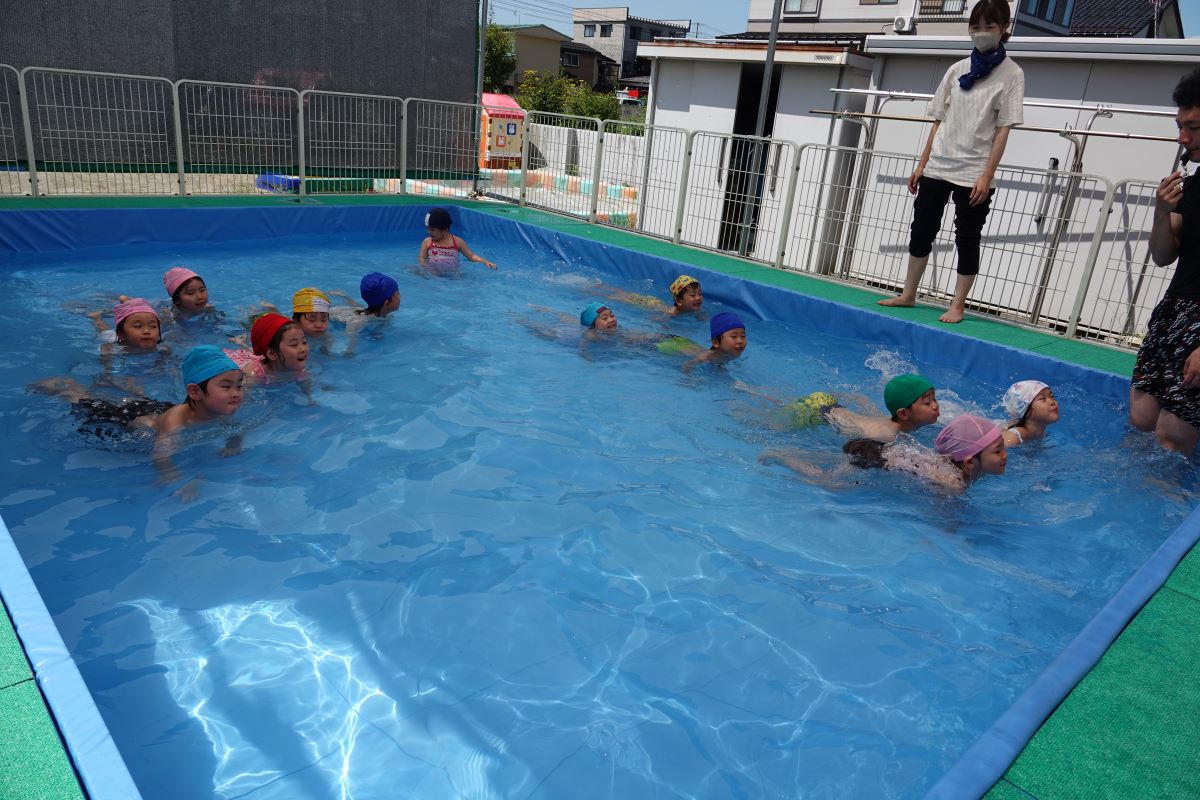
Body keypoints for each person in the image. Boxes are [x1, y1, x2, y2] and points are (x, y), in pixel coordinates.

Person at [877, 0, 1024, 324]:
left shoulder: (1012, 73)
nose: (981, 33)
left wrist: (987, 176)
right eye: (976, 26)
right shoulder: (957, 69)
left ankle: (958, 305)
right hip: (939, 164)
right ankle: (909, 293)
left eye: (989, 27)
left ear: (1003, 29)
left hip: (974, 170)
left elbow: (1003, 130)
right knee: (921, 229)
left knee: (967, 236)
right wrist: (921, 164)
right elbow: (938, 121)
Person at [30, 345, 245, 497]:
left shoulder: (222, 412)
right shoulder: (176, 420)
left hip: (157, 408)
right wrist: (176, 479)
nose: (236, 393)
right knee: (92, 408)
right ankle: (69, 390)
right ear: (195, 392)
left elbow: (237, 429)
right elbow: (161, 455)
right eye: (226, 387)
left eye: (239, 385)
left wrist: (233, 447)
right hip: (137, 421)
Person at [1130, 67, 1200, 456]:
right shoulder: (1193, 181)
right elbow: (1162, 256)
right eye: (1180, 125)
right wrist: (1161, 210)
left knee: (1172, 439)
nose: (1182, 137)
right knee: (1141, 422)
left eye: (1193, 127)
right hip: (1173, 310)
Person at [763, 413, 1004, 491]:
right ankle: (782, 457)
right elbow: (944, 521)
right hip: (875, 460)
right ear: (970, 462)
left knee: (835, 462)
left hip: (886, 453)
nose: (1005, 456)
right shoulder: (955, 484)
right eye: (998, 450)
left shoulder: (963, 468)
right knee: (829, 483)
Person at [826, 373, 940, 441]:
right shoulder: (887, 436)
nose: (935, 406)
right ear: (903, 414)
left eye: (934, 399)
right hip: (822, 411)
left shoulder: (907, 422)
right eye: (927, 402)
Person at [224, 313, 309, 384]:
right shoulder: (253, 375)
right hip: (234, 361)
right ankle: (238, 341)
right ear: (272, 354)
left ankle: (241, 342)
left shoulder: (298, 369)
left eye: (304, 342)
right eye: (294, 345)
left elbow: (307, 391)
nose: (303, 349)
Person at [418, 207, 496, 272]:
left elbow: (471, 256)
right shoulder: (427, 242)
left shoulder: (457, 242)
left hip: (452, 274)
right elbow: (422, 258)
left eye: (432, 230)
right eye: (428, 229)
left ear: (445, 230)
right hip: (433, 272)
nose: (429, 232)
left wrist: (485, 261)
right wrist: (426, 268)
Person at [682, 311, 747, 372]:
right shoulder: (705, 357)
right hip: (679, 347)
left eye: (743, 336)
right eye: (734, 336)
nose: (740, 341)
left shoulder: (733, 353)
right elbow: (687, 365)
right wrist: (689, 380)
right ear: (716, 342)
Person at [1001, 380, 1059, 447]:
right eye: (1043, 398)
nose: (1052, 402)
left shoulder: (1043, 435)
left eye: (1052, 396)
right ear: (1025, 410)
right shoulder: (1012, 437)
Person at [90, 297, 162, 351]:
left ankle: (126, 301)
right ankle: (96, 317)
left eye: (153, 326)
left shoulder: (162, 348)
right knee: (104, 330)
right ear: (122, 334)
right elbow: (105, 357)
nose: (147, 331)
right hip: (112, 338)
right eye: (138, 326)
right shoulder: (116, 348)